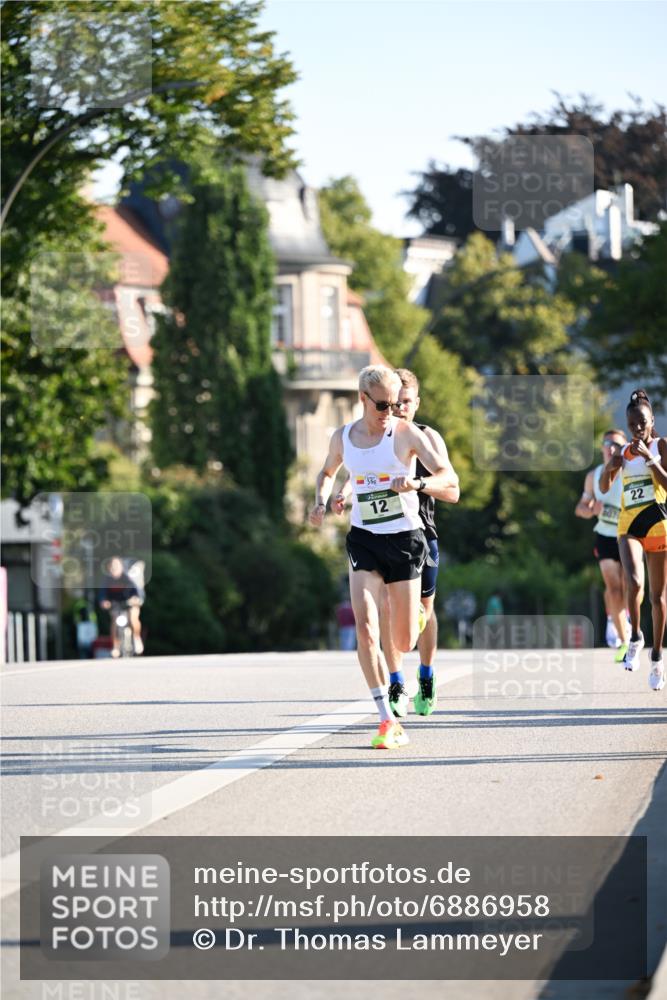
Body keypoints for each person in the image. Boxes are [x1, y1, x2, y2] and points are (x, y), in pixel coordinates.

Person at [309, 365, 459, 749]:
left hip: (406, 541)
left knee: (405, 640)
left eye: (394, 404)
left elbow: (450, 482)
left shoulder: (406, 433)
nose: (389, 411)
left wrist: (418, 482)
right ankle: (386, 718)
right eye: (381, 404)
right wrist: (322, 501)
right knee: (366, 628)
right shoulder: (344, 437)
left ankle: (416, 620)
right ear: (362, 399)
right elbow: (328, 472)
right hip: (364, 540)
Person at [599, 389, 666, 689]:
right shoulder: (624, 452)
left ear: (652, 420)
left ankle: (656, 658)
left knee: (658, 598)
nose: (637, 429)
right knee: (635, 582)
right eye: (632, 424)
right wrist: (610, 465)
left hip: (658, 525)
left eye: (642, 422)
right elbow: (603, 485)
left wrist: (650, 459)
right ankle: (636, 637)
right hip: (629, 526)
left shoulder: (662, 445)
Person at [575, 429, 630, 660]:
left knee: (631, 587)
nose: (611, 448)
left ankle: (622, 616)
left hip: (630, 536)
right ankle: (624, 642)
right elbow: (580, 509)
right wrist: (590, 509)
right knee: (613, 586)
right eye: (607, 443)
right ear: (601, 448)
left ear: (624, 448)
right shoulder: (593, 476)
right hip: (605, 537)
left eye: (617, 444)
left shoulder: (631, 473)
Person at [99, 556, 144, 657]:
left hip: (129, 603)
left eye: (116, 566)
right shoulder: (107, 580)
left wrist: (136, 599)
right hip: (115, 604)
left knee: (133, 617)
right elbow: (102, 593)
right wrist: (104, 601)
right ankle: (115, 646)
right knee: (114, 621)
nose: (114, 568)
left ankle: (137, 638)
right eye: (112, 566)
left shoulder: (127, 577)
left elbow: (137, 591)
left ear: (121, 567)